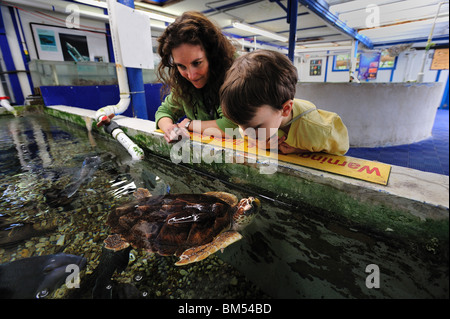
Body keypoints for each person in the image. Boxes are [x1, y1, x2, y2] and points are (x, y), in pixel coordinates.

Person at [219, 49, 349, 156]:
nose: (246, 133)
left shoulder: (319, 131)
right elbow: (246, 133)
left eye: (256, 127)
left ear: (286, 109)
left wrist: (300, 149)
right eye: (240, 125)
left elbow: (341, 148)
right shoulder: (251, 121)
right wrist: (259, 143)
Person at [155, 11, 237, 143]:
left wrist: (189, 125)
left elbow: (231, 126)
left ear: (212, 55)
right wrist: (170, 128)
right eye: (182, 66)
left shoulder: (236, 73)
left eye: (197, 63)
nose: (191, 75)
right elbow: (164, 112)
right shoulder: (183, 83)